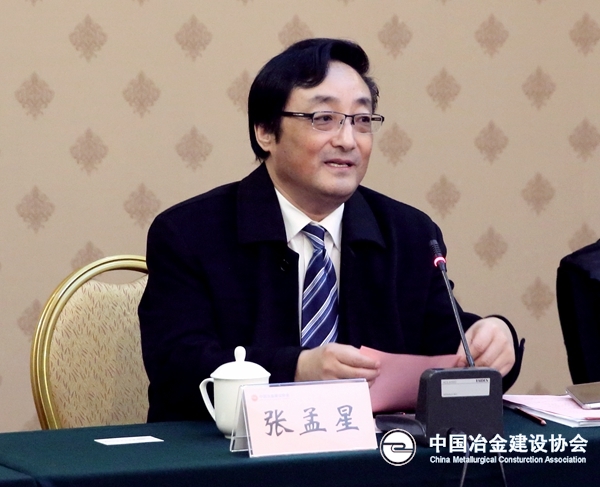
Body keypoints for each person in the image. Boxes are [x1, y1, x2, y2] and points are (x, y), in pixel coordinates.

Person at [139, 38, 524, 422]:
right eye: (324, 119)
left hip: (375, 454)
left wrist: (491, 338)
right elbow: (177, 366)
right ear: (265, 132)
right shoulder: (189, 233)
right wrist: (296, 369)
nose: (347, 140)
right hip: (228, 452)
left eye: (362, 120)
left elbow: (445, 344)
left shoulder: (409, 233)